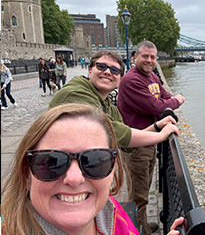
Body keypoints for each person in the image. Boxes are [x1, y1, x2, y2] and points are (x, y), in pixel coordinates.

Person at [1, 103, 184, 235]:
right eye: (52, 162)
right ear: (26, 174)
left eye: (95, 161)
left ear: (112, 171)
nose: (74, 178)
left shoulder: (110, 212)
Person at [117, 40, 185, 235]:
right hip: (137, 143)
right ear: (135, 57)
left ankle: (143, 223)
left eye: (152, 57)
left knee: (144, 188)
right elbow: (157, 106)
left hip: (150, 139)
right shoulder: (132, 80)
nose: (149, 60)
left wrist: (167, 101)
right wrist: (177, 100)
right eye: (145, 56)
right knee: (138, 194)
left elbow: (164, 96)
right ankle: (139, 230)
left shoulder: (152, 77)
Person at [49, 50, 179, 152]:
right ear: (90, 71)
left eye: (114, 70)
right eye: (101, 66)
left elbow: (124, 142)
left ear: (119, 80)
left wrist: (157, 126)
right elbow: (109, 131)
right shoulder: (76, 94)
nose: (107, 72)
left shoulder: (108, 105)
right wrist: (162, 136)